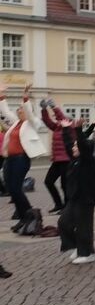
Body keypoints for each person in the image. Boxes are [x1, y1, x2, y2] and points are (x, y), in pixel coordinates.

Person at [0, 84, 49, 226]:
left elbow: (28, 111)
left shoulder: (32, 123)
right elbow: (5, 111)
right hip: (9, 159)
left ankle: (30, 216)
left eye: (21, 109)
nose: (19, 110)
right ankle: (23, 218)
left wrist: (25, 97)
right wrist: (1, 95)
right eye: (19, 109)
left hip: (21, 159)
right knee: (11, 190)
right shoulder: (15, 123)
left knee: (16, 189)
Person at [58, 120, 95, 264]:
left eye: (77, 146)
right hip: (75, 198)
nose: (73, 148)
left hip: (86, 198)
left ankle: (87, 253)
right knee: (63, 223)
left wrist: (79, 129)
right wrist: (65, 129)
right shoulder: (74, 159)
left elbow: (82, 145)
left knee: (83, 227)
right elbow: (68, 144)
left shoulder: (88, 161)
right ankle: (76, 246)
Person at [40, 100, 71, 215]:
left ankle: (67, 207)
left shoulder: (69, 127)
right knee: (48, 182)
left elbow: (62, 118)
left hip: (66, 160)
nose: (56, 119)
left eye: (57, 117)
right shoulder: (57, 127)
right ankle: (58, 204)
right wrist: (44, 109)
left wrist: (54, 107)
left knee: (65, 185)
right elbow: (47, 121)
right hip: (57, 160)